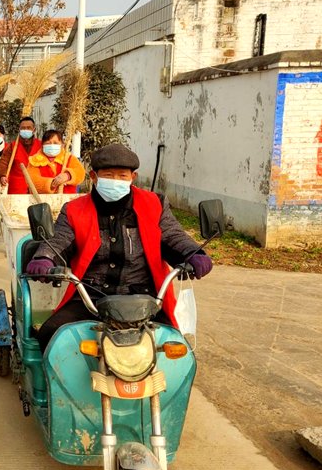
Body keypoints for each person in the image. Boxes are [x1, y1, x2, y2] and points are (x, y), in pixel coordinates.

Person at [25, 144, 213, 353]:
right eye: (108, 175)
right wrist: (45, 258)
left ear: (133, 177)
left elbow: (172, 236)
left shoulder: (155, 204)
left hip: (144, 299)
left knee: (172, 346)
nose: (115, 180)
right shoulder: (74, 210)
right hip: (89, 298)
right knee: (51, 335)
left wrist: (194, 253)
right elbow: (60, 240)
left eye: (122, 175)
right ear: (94, 177)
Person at [26, 130, 85, 194]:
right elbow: (31, 180)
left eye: (55, 143)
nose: (52, 145)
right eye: (48, 143)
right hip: (41, 199)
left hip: (67, 198)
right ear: (42, 145)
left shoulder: (68, 158)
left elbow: (80, 173)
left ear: (62, 144)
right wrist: (51, 183)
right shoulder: (34, 161)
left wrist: (67, 175)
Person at [0, 116, 42, 194]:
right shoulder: (12, 146)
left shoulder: (41, 146)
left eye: (28, 128)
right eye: (23, 128)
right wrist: (2, 176)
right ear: (19, 129)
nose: (26, 130)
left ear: (34, 130)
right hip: (17, 187)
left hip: (37, 186)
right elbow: (3, 162)